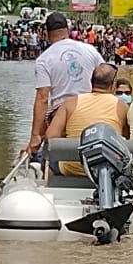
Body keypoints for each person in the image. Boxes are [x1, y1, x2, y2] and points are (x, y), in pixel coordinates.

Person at [25, 11, 103, 156]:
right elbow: (106, 77)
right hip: (93, 109)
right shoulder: (90, 50)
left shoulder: (44, 60)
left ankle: (50, 167)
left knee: (52, 150)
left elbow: (42, 98)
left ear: (46, 34)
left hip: (61, 115)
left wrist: (35, 136)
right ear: (68, 30)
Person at [44, 64, 130, 175]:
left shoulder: (71, 102)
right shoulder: (122, 106)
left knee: (49, 159)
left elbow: (50, 136)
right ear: (113, 85)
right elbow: (128, 136)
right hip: (107, 171)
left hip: (71, 169)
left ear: (91, 81)